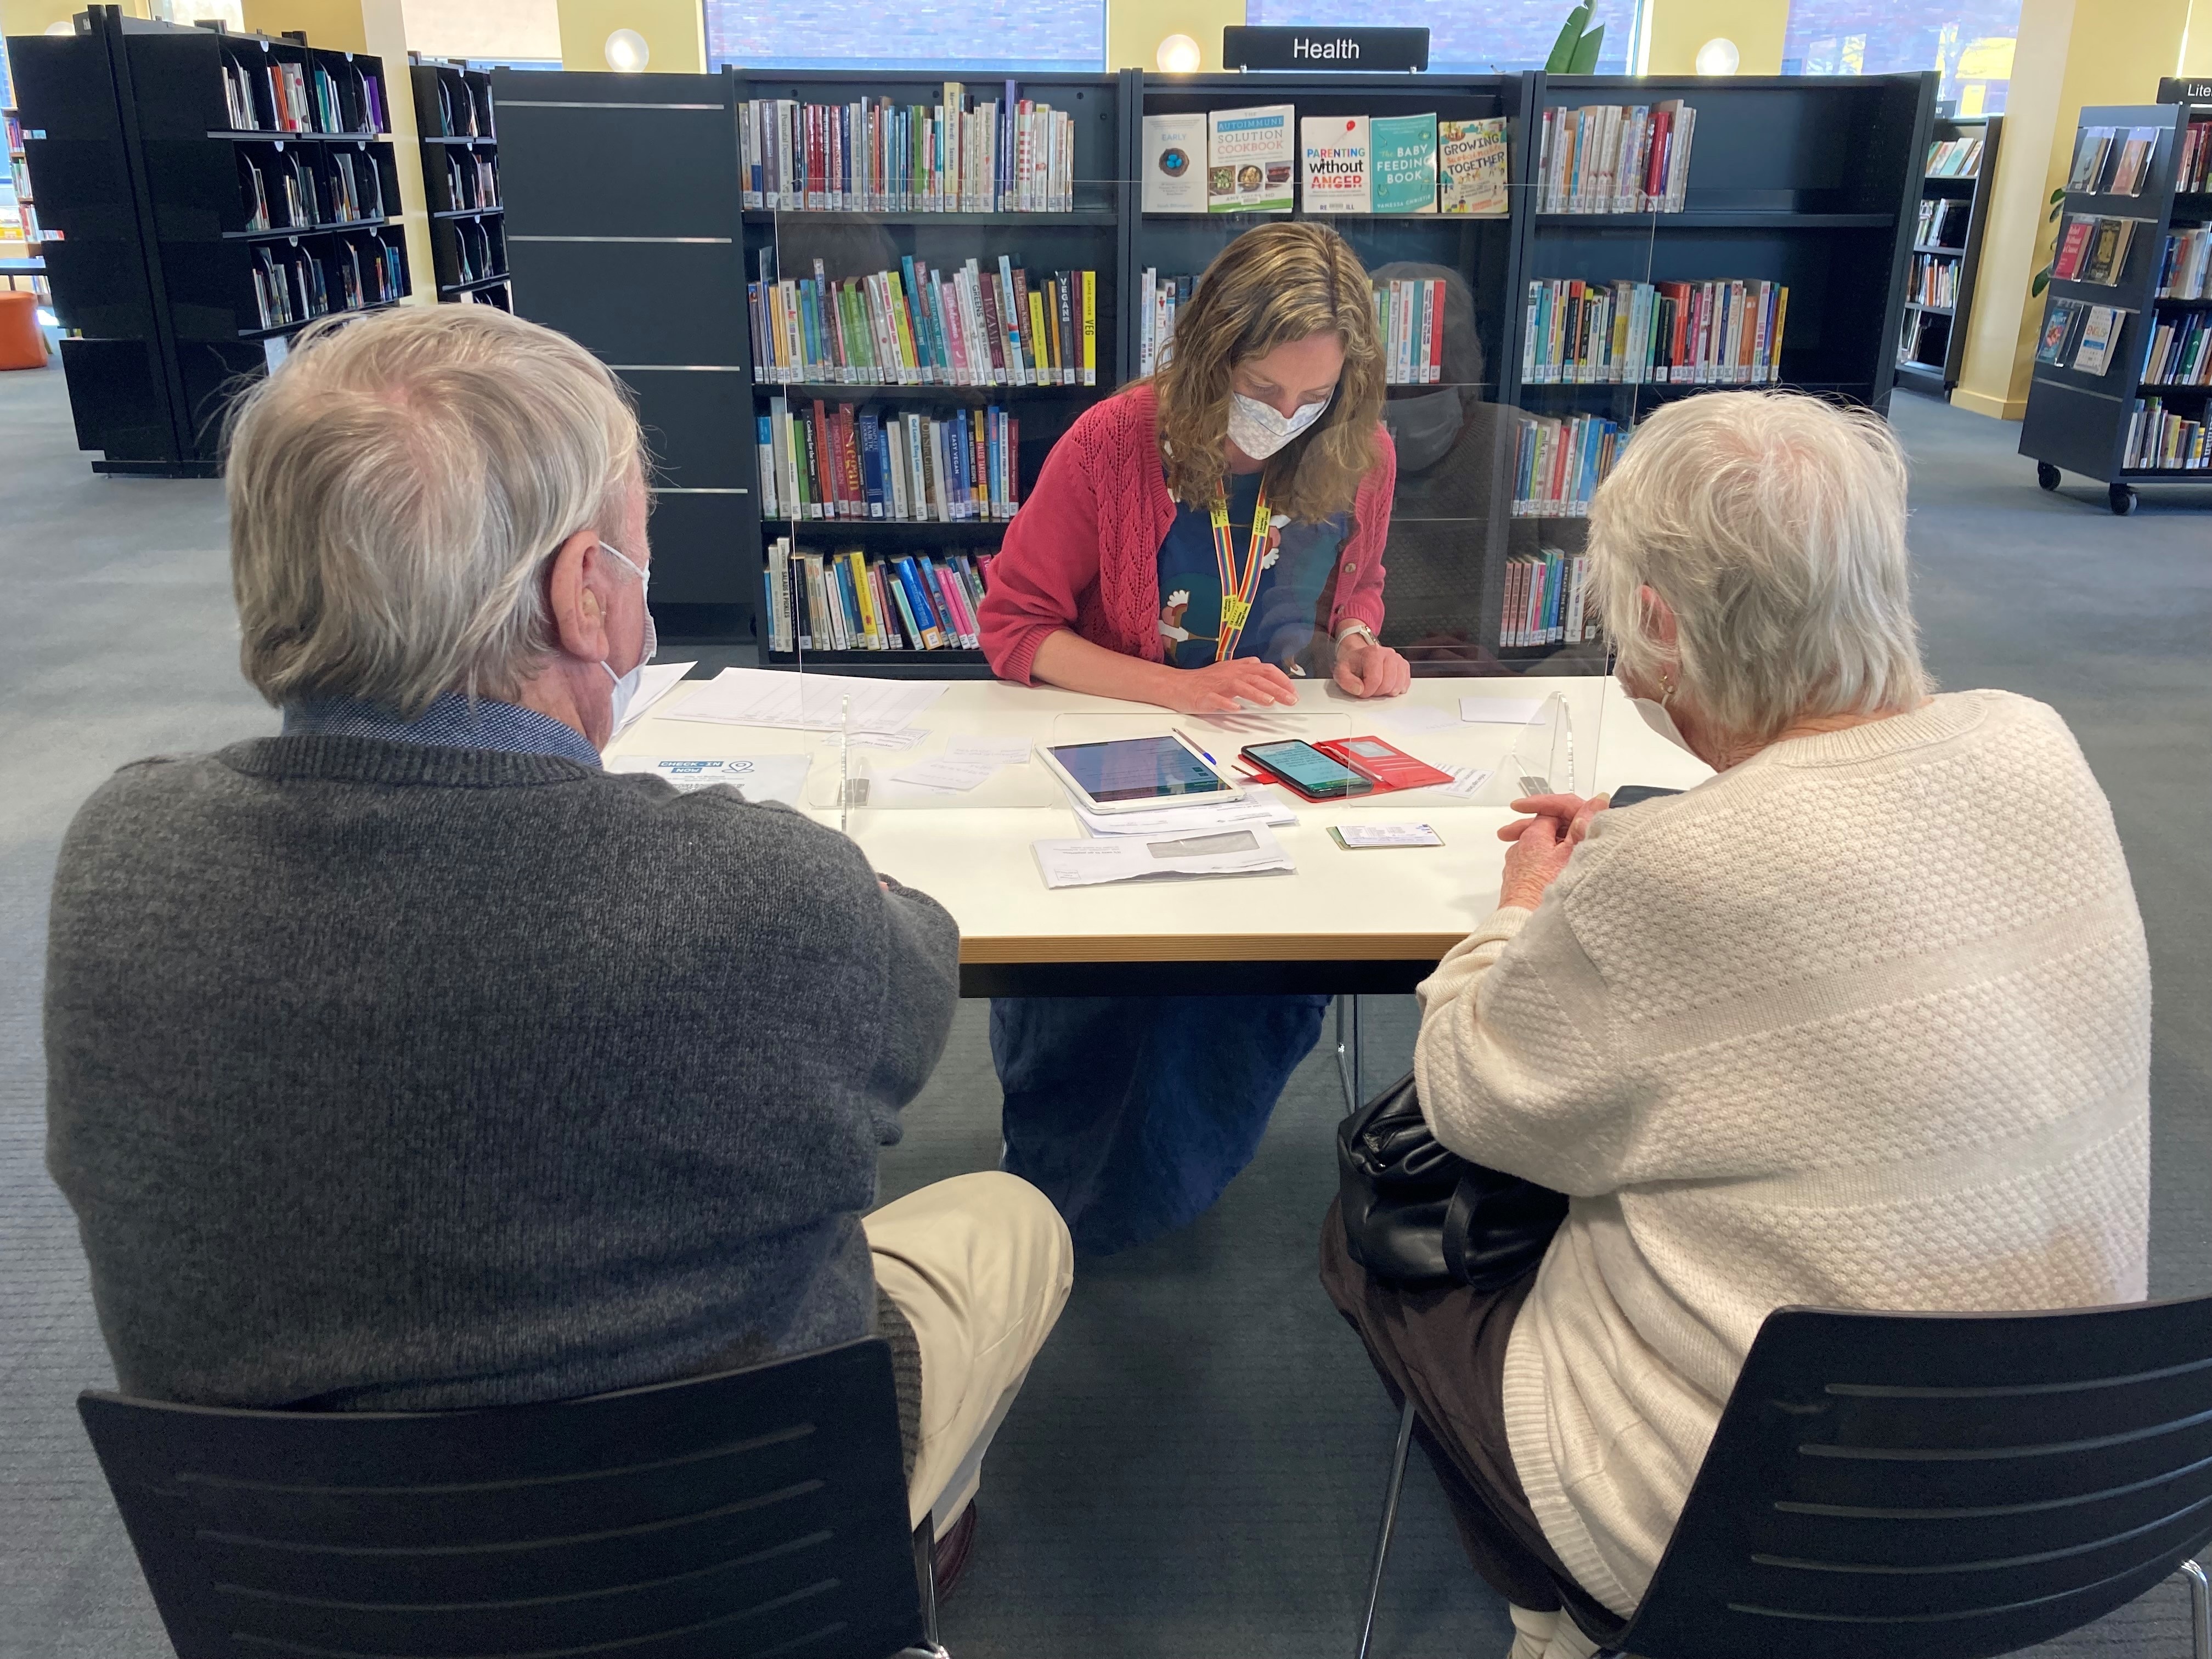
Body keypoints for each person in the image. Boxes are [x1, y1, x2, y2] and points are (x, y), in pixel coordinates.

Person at [43, 306, 1071, 1584]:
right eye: (637, 556)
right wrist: (840, 886)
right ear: (585, 595)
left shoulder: (114, 858)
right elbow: (921, 968)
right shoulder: (769, 894)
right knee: (1013, 1220)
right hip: (713, 1551)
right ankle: (916, 1527)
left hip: (311, 1577)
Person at [1319, 390, 2151, 1659]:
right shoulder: (2038, 746)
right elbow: (1863, 878)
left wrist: (1527, 909)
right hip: (2079, 1489)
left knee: (1372, 1234)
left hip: (1765, 1531)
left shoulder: (1673, 875)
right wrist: (1656, 862)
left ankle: (1559, 1618)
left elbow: (1467, 1097)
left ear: (1656, 622)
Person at [978, 222, 1410, 1255]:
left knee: (1246, 985)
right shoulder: (1114, 444)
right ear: (1213, 355)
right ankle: (1080, 1188)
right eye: (1266, 387)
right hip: (1128, 747)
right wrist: (1177, 688)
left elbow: (1359, 586)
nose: (1288, 417)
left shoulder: (1360, 450)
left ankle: (1170, 1178)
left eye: (1316, 399)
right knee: (1117, 990)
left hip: (1268, 763)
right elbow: (1016, 630)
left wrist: (1359, 641)